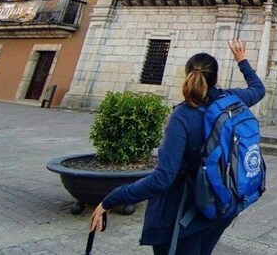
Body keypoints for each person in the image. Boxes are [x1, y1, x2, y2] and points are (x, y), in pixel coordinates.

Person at [89, 39, 265, 255]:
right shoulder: (232, 99)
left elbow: (163, 178)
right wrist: (242, 60)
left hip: (185, 214)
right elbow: (258, 89)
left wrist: (112, 199)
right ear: (216, 78)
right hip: (221, 205)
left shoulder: (183, 115)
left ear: (187, 75)